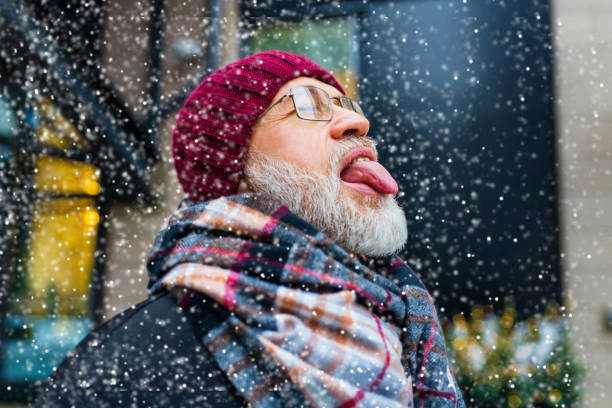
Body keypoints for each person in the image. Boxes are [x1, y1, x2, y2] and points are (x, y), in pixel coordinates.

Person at [35, 50, 465, 408]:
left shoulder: (405, 322)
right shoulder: (133, 363)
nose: (359, 125)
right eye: (310, 105)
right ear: (237, 167)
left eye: (348, 106)